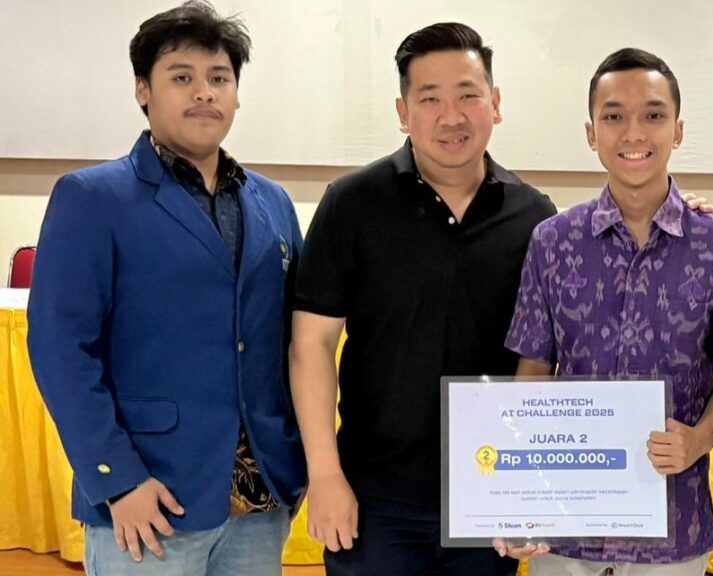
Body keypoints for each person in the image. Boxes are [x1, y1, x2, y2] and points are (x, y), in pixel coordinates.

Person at [26, 2, 306, 574]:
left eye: (219, 78)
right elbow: (60, 348)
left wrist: (298, 465)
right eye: (182, 77)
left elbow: (292, 343)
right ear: (142, 90)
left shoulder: (273, 202)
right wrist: (117, 479)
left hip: (260, 499)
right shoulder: (93, 197)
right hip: (149, 498)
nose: (204, 92)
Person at [288, 22, 557, 576]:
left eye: (468, 95)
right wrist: (325, 474)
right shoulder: (351, 203)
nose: (451, 117)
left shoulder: (535, 216)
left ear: (495, 103)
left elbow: (540, 358)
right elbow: (311, 344)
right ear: (403, 112)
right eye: (430, 99)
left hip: (487, 492)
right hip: (373, 496)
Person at [494, 48, 713, 576]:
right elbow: (534, 368)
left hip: (673, 523)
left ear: (677, 130)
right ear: (591, 133)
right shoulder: (552, 241)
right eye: (614, 116)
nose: (634, 133)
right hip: (567, 527)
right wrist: (520, 490)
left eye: (653, 115)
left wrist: (700, 439)